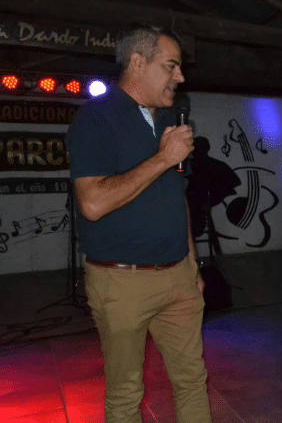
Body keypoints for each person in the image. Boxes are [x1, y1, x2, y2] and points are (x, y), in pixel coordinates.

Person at [66, 23, 212, 423]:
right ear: (137, 62)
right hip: (122, 281)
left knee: (192, 380)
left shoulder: (167, 121)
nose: (180, 76)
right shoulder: (96, 118)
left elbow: (176, 197)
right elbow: (92, 203)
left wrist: (191, 261)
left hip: (178, 275)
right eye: (171, 65)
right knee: (126, 393)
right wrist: (163, 158)